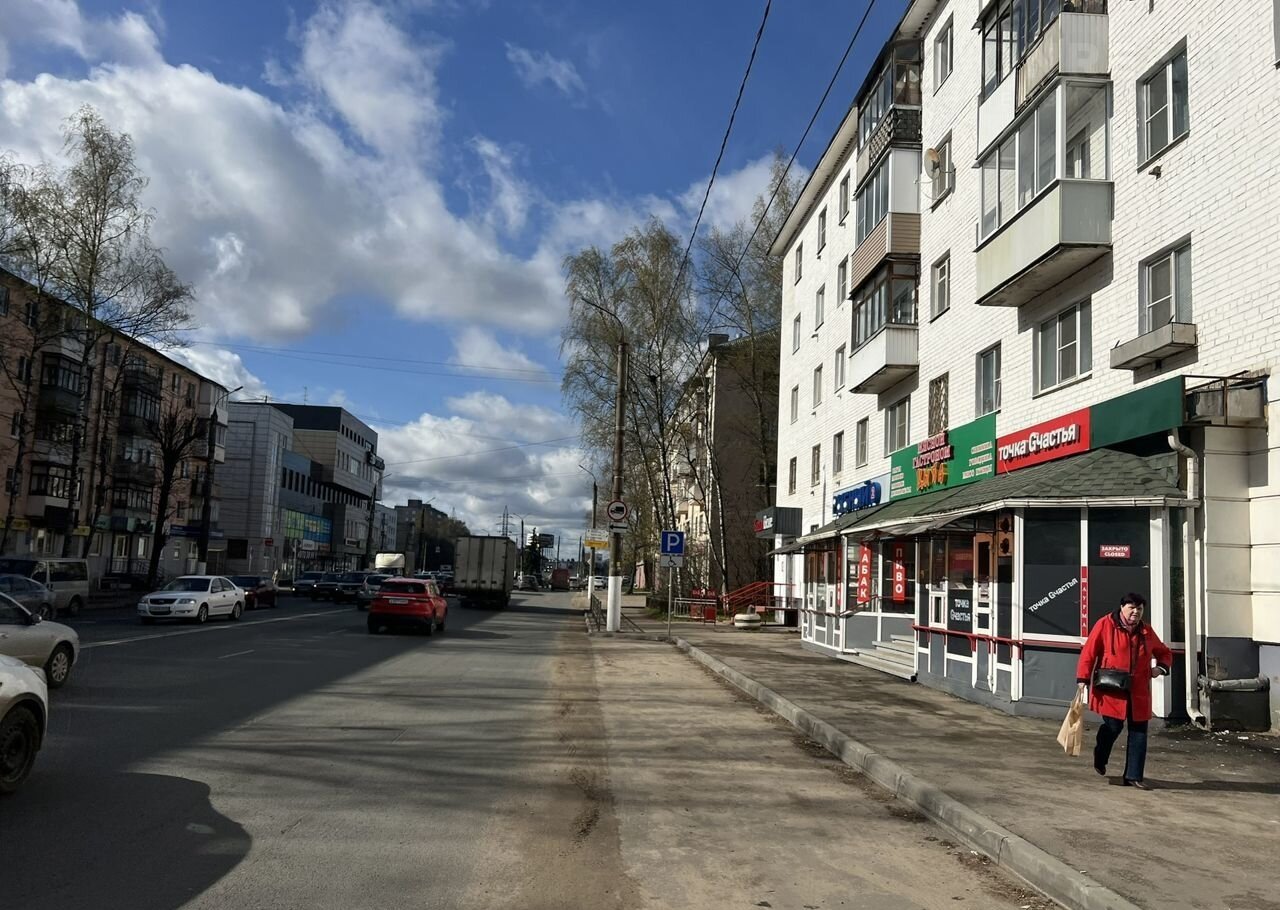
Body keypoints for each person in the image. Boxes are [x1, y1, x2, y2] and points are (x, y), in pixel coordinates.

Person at [1075, 593, 1172, 789]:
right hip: (1111, 688)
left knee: (1139, 732)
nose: (1136, 612)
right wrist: (1082, 679)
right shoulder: (1105, 625)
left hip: (1138, 689)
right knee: (1113, 727)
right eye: (1132, 608)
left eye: (1139, 609)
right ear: (1122, 608)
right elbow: (1089, 653)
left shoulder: (1146, 631)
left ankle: (1133, 776)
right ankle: (1100, 754)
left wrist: (1160, 668)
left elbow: (1164, 652)